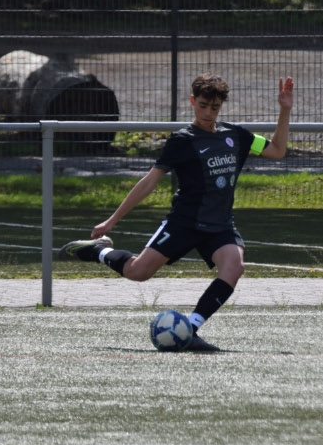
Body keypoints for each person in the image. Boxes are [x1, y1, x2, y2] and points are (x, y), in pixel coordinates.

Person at [59, 73, 294, 351]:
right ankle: (99, 251)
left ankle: (190, 330)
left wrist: (284, 110)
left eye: (215, 107)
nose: (208, 113)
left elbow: (277, 151)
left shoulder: (238, 136)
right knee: (138, 272)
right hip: (184, 222)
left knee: (234, 267)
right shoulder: (182, 140)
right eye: (203, 105)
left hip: (219, 225)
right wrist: (112, 220)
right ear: (193, 101)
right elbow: (149, 182)